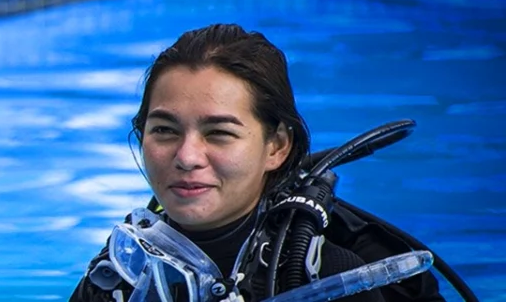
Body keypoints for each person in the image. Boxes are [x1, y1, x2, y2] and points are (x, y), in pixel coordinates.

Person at [69, 23, 444, 302]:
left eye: (219, 133)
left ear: (277, 147)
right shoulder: (116, 277)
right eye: (165, 130)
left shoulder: (330, 278)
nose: (186, 157)